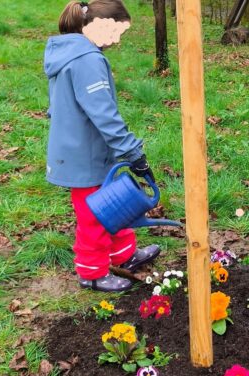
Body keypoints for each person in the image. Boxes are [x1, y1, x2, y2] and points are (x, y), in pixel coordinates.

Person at [45, 0, 160, 292]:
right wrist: (133, 152)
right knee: (94, 216)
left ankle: (124, 255)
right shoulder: (87, 60)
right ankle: (92, 272)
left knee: (116, 204)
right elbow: (104, 114)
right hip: (84, 155)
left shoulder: (70, 52)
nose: (118, 39)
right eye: (115, 30)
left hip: (91, 149)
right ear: (94, 25)